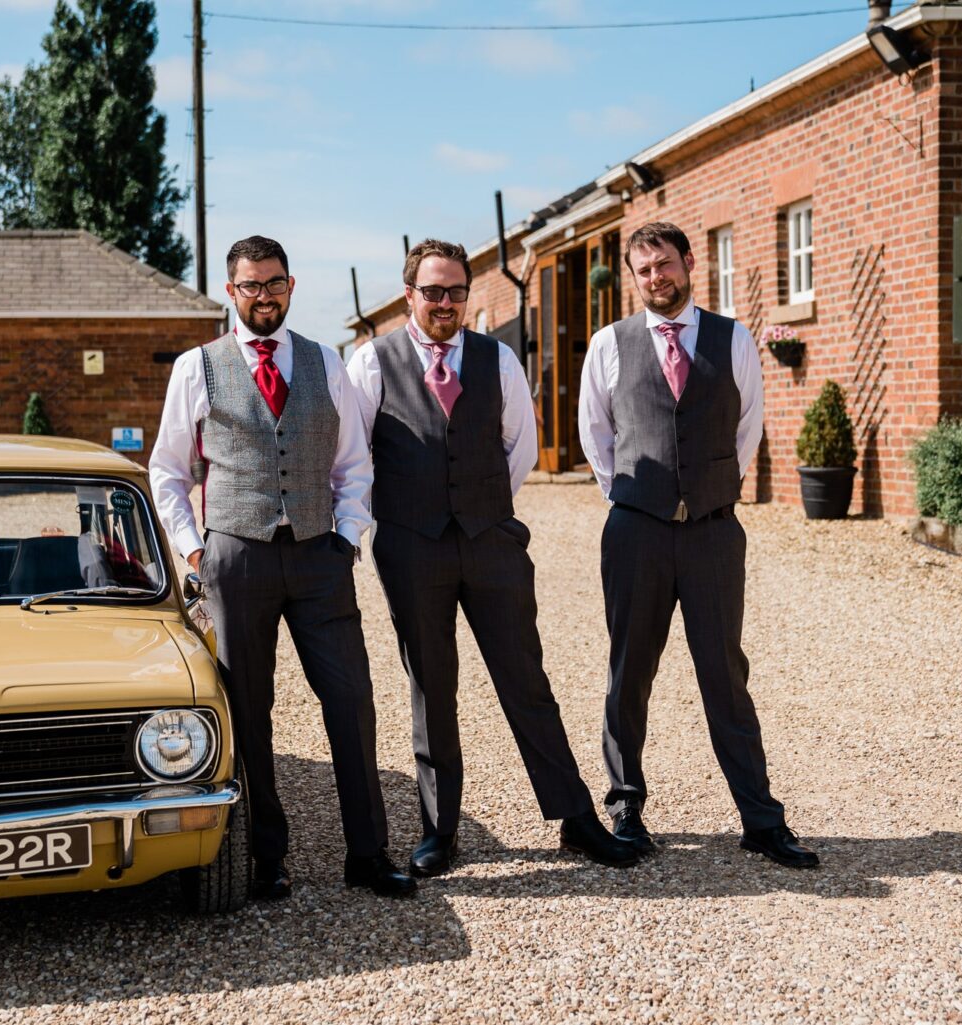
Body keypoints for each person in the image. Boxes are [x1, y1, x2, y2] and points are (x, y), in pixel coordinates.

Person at [347, 239, 638, 877]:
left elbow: (520, 447)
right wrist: (393, 520)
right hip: (409, 545)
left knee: (526, 681)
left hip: (491, 541)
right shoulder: (372, 362)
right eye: (433, 291)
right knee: (433, 687)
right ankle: (439, 830)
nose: (445, 302)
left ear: (466, 294)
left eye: (455, 290)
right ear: (410, 296)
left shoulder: (497, 357)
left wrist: (480, 510)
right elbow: (354, 458)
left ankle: (577, 819)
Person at [149, 235, 416, 899]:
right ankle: (267, 854)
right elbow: (167, 470)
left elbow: (354, 463)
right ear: (232, 293)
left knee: (351, 699)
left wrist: (347, 534)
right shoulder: (197, 367)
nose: (262, 295)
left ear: (290, 287)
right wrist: (194, 549)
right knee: (249, 707)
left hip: (319, 555)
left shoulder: (327, 364)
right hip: (234, 556)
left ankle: (368, 851)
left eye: (273, 283)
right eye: (250, 285)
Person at [577, 221, 818, 869]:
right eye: (644, 269)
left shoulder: (732, 337)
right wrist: (636, 499)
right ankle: (625, 805)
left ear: (689, 263)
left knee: (724, 673)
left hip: (713, 531)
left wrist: (707, 492)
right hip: (636, 531)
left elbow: (747, 428)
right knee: (630, 669)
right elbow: (596, 437)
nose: (657, 277)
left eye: (665, 264)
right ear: (634, 277)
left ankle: (761, 819)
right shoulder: (608, 343)